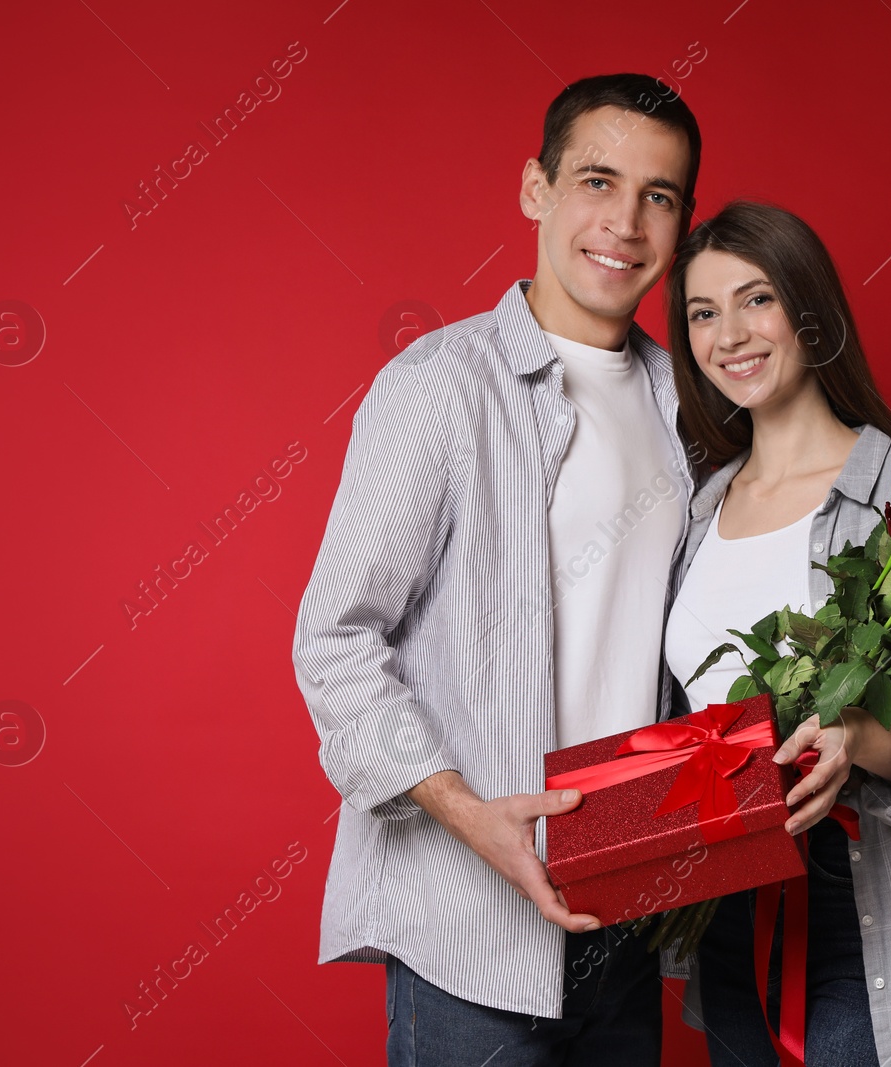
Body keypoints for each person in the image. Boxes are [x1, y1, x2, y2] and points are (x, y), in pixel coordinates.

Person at [291, 74, 703, 1066]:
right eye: (597, 181)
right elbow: (334, 641)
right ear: (535, 189)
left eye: (659, 195)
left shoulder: (688, 406)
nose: (624, 221)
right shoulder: (438, 388)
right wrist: (469, 815)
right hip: (466, 920)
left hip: (625, 909)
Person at [660, 200, 891, 1066]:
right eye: (703, 313)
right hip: (725, 902)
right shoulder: (697, 508)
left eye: (756, 300)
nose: (730, 335)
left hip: (866, 904)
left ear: (809, 308)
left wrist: (865, 739)